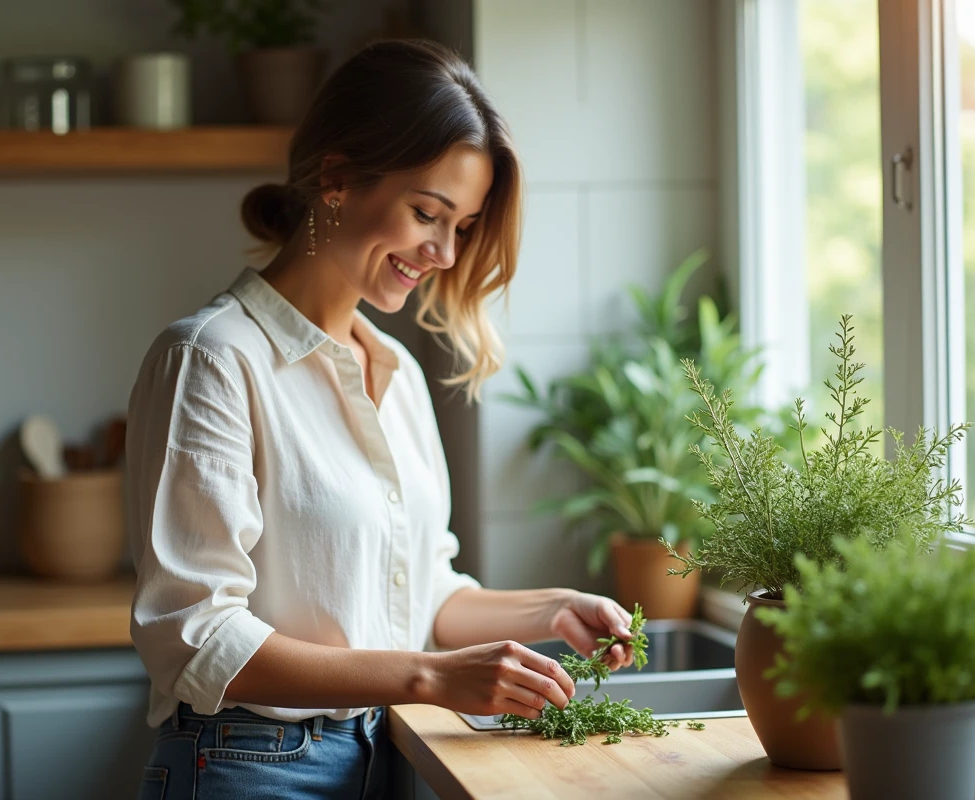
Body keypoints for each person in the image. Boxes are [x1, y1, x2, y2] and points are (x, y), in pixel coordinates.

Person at [125, 38, 636, 800]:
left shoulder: (396, 378)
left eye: (461, 227)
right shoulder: (212, 359)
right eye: (428, 213)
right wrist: (430, 676)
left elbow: (419, 595)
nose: (443, 252)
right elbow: (195, 636)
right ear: (336, 180)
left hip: (385, 757)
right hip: (245, 767)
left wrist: (553, 609)